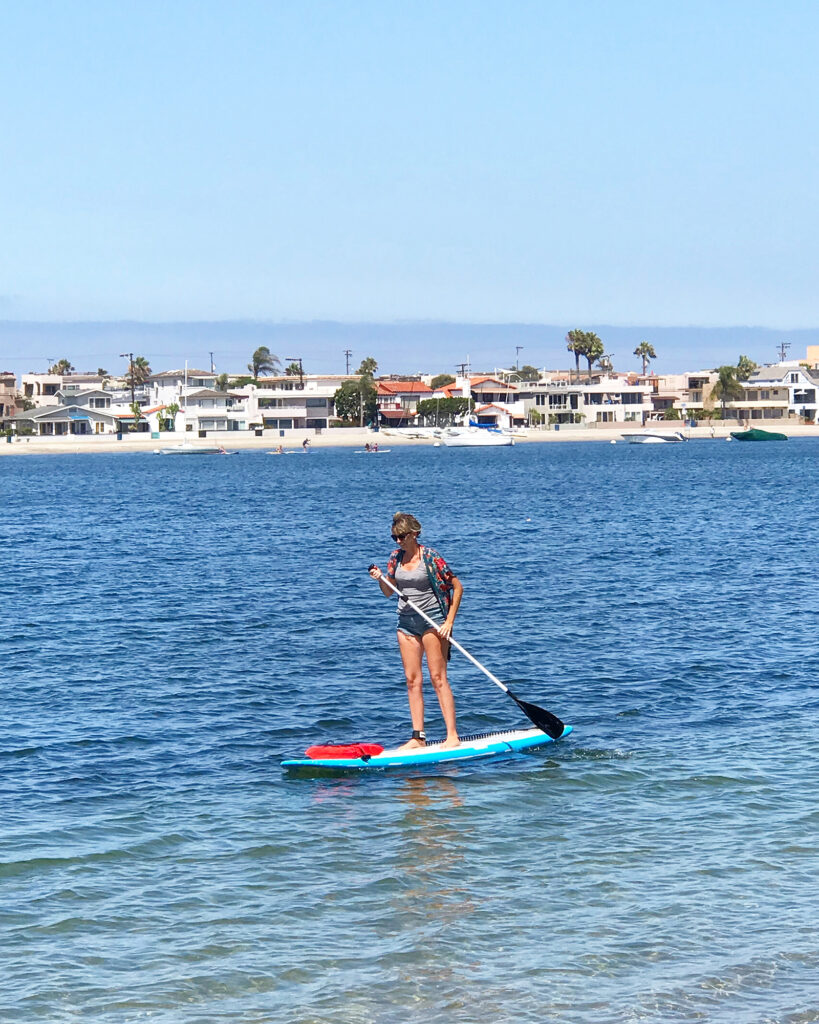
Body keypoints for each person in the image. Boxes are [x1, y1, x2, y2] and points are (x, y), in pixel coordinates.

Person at [369, 512, 463, 750]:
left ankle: (452, 735)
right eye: (394, 538)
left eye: (401, 537)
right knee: (412, 681)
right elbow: (389, 592)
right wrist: (381, 579)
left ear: (414, 534)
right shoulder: (395, 558)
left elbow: (456, 585)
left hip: (433, 621)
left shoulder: (430, 557)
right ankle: (418, 737)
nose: (398, 542)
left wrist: (449, 621)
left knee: (438, 678)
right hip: (406, 623)